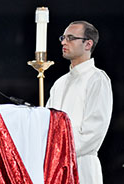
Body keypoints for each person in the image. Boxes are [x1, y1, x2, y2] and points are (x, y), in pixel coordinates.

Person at [46, 21, 113, 184]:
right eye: (63, 37)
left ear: (88, 44)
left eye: (70, 38)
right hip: (55, 167)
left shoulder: (97, 79)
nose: (63, 42)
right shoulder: (59, 83)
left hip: (82, 166)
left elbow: (93, 132)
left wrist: (57, 148)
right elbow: (46, 124)